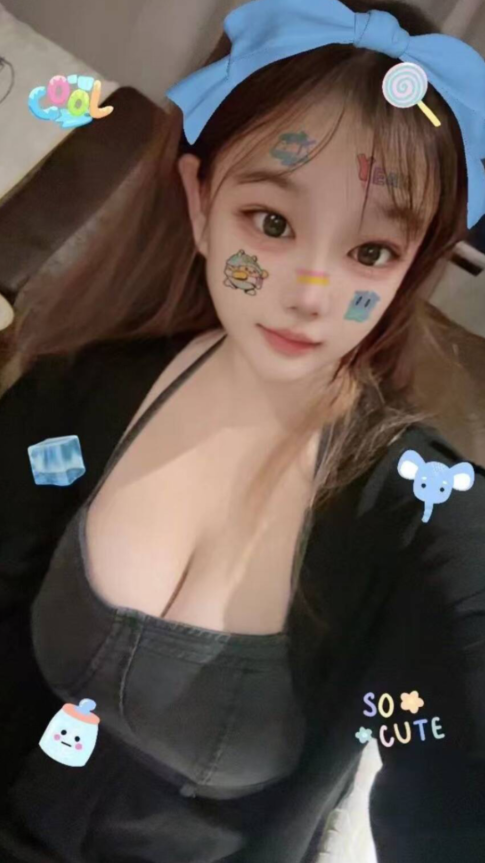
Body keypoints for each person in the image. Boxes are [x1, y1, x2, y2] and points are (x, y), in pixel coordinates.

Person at [0, 0, 484, 860]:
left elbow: (448, 769)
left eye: (371, 251)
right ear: (200, 202)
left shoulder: (421, 517)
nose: (310, 293)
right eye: (271, 222)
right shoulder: (85, 386)